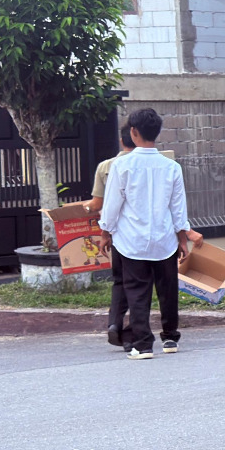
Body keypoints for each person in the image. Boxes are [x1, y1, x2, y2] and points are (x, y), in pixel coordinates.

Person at [98, 107, 191, 360]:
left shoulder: (122, 166)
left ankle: (143, 344)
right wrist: (182, 238)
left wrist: (106, 231)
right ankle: (170, 337)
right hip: (164, 239)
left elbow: (113, 203)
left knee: (137, 290)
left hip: (132, 240)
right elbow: (178, 207)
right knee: (168, 288)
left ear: (133, 132)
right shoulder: (171, 167)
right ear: (157, 133)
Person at [89, 121, 136, 349]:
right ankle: (133, 333)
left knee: (120, 280)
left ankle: (114, 324)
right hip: (142, 234)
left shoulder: (105, 166)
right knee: (140, 283)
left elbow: (98, 203)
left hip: (116, 233)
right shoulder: (154, 165)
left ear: (121, 140)